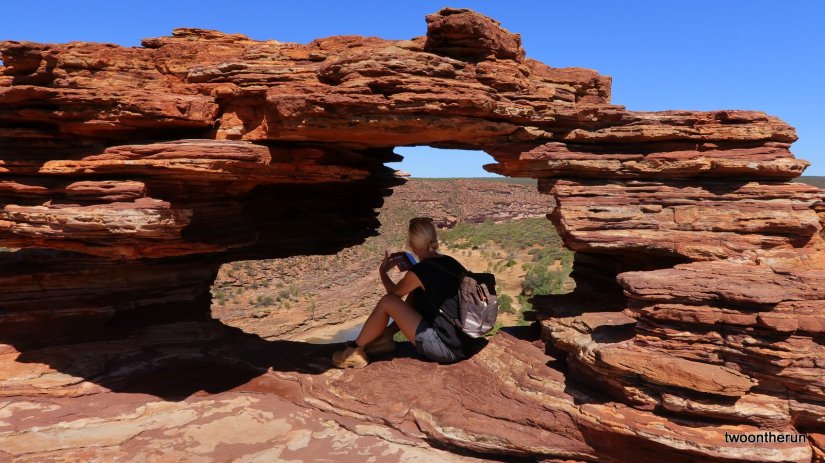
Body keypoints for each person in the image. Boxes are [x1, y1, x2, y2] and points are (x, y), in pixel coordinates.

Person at [331, 217, 479, 368]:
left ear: (411, 245)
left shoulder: (420, 271)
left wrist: (383, 272)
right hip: (465, 344)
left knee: (387, 301)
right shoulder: (451, 262)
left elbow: (392, 298)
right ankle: (386, 338)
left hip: (445, 348)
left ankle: (354, 351)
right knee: (415, 294)